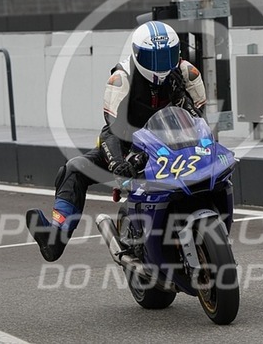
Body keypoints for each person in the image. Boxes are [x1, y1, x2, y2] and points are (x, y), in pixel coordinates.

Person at [26, 20, 207, 262]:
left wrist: (185, 105)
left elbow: (199, 120)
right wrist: (118, 163)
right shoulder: (121, 78)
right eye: (153, 58)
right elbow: (110, 129)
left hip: (174, 145)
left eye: (167, 56)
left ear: (178, 52)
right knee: (74, 169)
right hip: (129, 147)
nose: (161, 65)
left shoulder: (187, 73)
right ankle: (55, 236)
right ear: (137, 55)